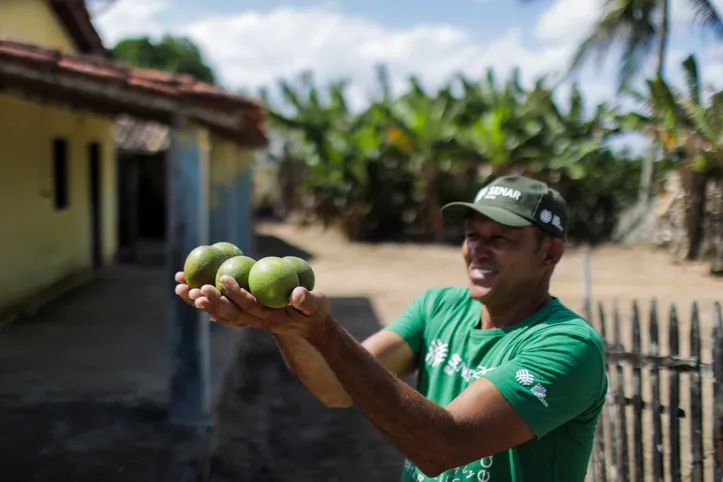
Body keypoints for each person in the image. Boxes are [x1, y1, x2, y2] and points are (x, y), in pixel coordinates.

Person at [175, 175, 608, 482]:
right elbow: (333, 387)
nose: (478, 250)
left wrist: (326, 333)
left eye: (501, 239)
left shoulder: (569, 348)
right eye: (473, 235)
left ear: (550, 253)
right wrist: (286, 327)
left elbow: (442, 446)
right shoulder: (440, 307)